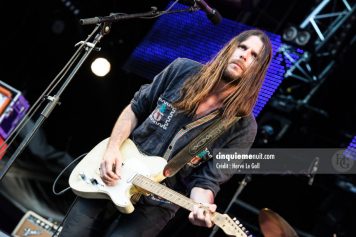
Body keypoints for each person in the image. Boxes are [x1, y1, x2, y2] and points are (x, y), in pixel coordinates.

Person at [59, 29, 272, 237]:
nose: (244, 55)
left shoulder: (243, 126)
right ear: (230, 49)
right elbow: (135, 108)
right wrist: (112, 148)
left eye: (254, 56)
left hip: (158, 204)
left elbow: (207, 181)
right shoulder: (182, 70)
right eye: (242, 47)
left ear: (257, 71)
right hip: (116, 169)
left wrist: (202, 206)